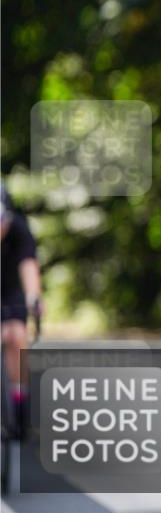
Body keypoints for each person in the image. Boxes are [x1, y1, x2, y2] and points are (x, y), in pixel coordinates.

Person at [1, 185, 42, 437]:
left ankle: (19, 403)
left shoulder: (19, 229)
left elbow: (28, 267)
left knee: (16, 336)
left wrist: (34, 296)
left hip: (11, 292)